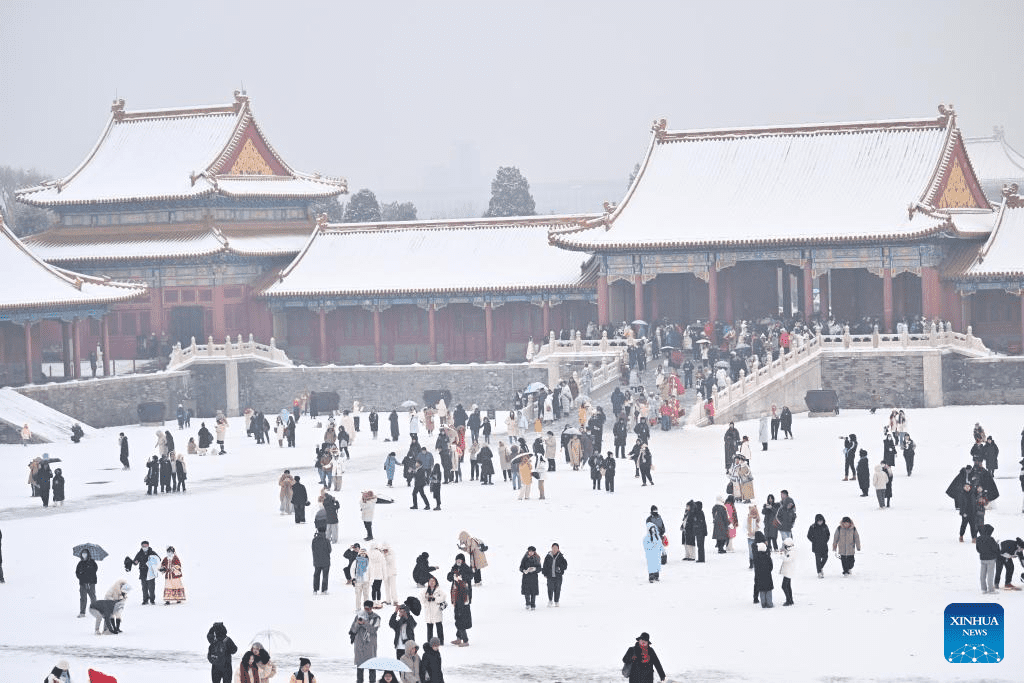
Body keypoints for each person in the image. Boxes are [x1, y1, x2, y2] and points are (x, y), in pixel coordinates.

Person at [350, 601, 380, 683]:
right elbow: (353, 630)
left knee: (372, 667)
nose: (366, 610)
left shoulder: (376, 617)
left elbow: (373, 630)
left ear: (371, 608)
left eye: (368, 608)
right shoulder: (359, 616)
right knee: (360, 667)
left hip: (370, 645)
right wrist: (357, 623)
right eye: (365, 608)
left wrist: (364, 623)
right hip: (360, 645)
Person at [421, 575, 447, 643]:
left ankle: (441, 641)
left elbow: (444, 597)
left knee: (439, 627)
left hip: (436, 611)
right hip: (428, 611)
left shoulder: (439, 590)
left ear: (436, 582)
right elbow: (421, 599)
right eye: (430, 581)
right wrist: (426, 598)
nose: (431, 582)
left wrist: (435, 599)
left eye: (433, 581)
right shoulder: (425, 590)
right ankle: (429, 642)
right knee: (429, 628)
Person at [450, 570, 472, 647]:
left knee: (461, 624)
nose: (455, 577)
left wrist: (460, 608)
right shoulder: (456, 583)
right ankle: (459, 638)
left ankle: (465, 640)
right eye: (455, 576)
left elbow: (464, 597)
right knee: (458, 622)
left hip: (462, 607)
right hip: (457, 606)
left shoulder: (462, 584)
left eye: (457, 576)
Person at [132, 540, 159, 605]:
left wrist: (153, 563)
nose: (144, 547)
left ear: (148, 545)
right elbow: (135, 561)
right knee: (144, 587)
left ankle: (152, 600)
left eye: (146, 546)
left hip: (151, 572)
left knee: (151, 587)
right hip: (143, 572)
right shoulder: (139, 553)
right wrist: (134, 562)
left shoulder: (152, 552)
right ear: (141, 546)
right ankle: (145, 600)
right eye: (143, 546)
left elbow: (158, 559)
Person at [541, 542, 567, 607]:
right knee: (550, 589)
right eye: (553, 548)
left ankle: (556, 601)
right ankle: (550, 600)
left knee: (557, 589)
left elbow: (565, 565)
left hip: (558, 577)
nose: (554, 549)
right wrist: (545, 573)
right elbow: (545, 565)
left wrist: (560, 568)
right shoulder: (548, 556)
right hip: (550, 576)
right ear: (551, 548)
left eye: (556, 548)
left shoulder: (561, 556)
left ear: (558, 549)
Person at [977, 524, 1000, 594]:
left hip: (982, 559)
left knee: (982, 575)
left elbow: (978, 549)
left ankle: (983, 589)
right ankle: (991, 590)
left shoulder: (978, 539)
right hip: (991, 559)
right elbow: (996, 549)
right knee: (990, 575)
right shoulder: (991, 539)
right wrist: (997, 544)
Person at [76, 549, 98, 618]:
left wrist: (91, 563)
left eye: (85, 553)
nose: (84, 554)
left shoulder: (92, 562)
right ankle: (82, 613)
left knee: (93, 597)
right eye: (83, 553)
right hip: (82, 584)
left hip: (91, 583)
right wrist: (81, 576)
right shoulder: (80, 563)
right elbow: (77, 573)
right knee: (83, 598)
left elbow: (95, 570)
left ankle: (95, 611)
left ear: (88, 554)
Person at [807, 514, 831, 578]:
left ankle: (820, 567)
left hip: (824, 546)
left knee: (825, 557)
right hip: (816, 546)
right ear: (816, 521)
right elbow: (809, 536)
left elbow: (828, 534)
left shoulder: (825, 526)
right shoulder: (812, 527)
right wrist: (814, 541)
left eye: (821, 521)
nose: (820, 522)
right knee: (818, 559)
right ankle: (819, 572)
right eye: (819, 521)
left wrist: (826, 540)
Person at [753, 539, 774, 608]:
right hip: (767, 576)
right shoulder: (768, 557)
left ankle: (763, 603)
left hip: (759, 576)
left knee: (762, 590)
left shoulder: (756, 558)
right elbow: (771, 567)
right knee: (768, 590)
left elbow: (755, 566)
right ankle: (769, 603)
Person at [520, 545, 541, 609]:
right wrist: (524, 570)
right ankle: (527, 603)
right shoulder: (525, 558)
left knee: (533, 592)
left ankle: (533, 604)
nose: (531, 552)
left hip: (534, 577)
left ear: (534, 552)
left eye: (532, 551)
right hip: (526, 577)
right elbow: (521, 567)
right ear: (528, 551)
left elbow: (539, 568)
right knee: (526, 591)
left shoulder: (537, 558)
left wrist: (534, 569)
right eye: (530, 551)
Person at [312, 526, 331, 595]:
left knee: (316, 575)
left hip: (317, 561)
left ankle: (315, 590)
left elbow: (313, 549)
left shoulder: (314, 540)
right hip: (326, 561)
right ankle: (324, 590)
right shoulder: (327, 540)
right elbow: (330, 550)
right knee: (325, 576)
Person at [778, 537, 796, 605]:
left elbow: (787, 560)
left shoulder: (792, 552)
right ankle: (790, 600)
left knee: (784, 586)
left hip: (788, 572)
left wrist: (782, 554)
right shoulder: (790, 550)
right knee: (788, 586)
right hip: (787, 571)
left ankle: (788, 600)